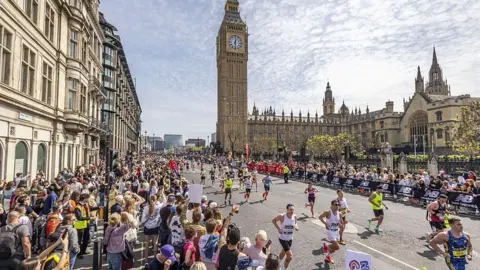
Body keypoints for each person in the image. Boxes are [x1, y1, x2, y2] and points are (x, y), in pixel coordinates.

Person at [272, 204, 298, 270]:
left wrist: (297, 226)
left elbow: (295, 223)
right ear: (287, 209)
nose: (292, 211)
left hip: (290, 238)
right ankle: (285, 268)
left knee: (284, 251)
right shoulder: (282, 216)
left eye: (293, 210)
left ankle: (278, 262)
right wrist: (278, 228)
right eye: (290, 209)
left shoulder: (294, 216)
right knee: (290, 256)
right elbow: (273, 220)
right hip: (283, 238)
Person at [318, 200, 343, 264]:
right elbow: (320, 217)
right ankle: (327, 246)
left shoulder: (339, 213)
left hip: (335, 231)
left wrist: (341, 225)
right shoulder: (328, 212)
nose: (337, 206)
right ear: (331, 205)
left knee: (334, 249)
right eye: (335, 205)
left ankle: (327, 257)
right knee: (337, 246)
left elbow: (338, 222)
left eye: (338, 205)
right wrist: (325, 224)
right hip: (329, 231)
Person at [141, 195, 162, 263]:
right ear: (156, 200)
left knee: (147, 243)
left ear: (149, 200)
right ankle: (155, 260)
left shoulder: (146, 208)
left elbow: (143, 220)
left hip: (147, 227)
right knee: (155, 243)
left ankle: (146, 260)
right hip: (155, 227)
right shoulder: (158, 207)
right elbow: (164, 202)